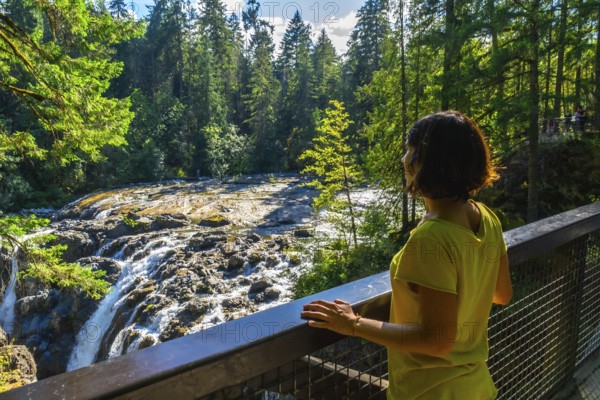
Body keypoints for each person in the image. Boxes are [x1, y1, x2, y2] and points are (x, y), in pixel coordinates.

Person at [302, 111, 513, 400]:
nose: (404, 159)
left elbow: (437, 341)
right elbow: (501, 293)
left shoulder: (431, 239)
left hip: (428, 392)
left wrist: (353, 324)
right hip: (476, 387)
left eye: (411, 151)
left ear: (430, 164)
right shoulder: (486, 218)